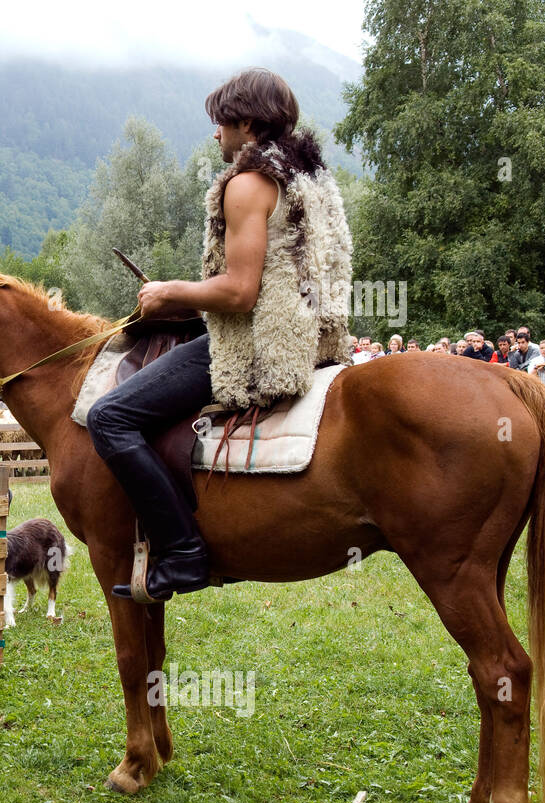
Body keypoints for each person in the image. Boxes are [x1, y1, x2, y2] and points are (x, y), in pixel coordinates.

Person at [86, 68, 351, 602]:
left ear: (247, 123)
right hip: (312, 341)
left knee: (109, 417)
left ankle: (183, 553)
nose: (215, 135)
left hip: (254, 348)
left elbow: (239, 293)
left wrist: (168, 293)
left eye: (221, 123)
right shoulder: (308, 177)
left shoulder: (248, 184)